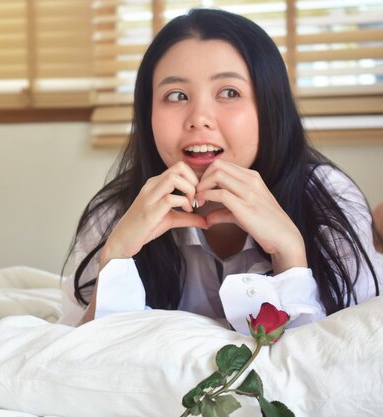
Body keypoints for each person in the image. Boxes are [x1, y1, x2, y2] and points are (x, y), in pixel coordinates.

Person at [60, 8, 382, 333]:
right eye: (176, 96)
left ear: (269, 107)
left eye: (229, 92)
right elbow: (79, 360)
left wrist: (289, 254)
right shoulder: (115, 214)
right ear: (147, 115)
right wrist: (115, 259)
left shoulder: (330, 199)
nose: (199, 117)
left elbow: (342, 361)